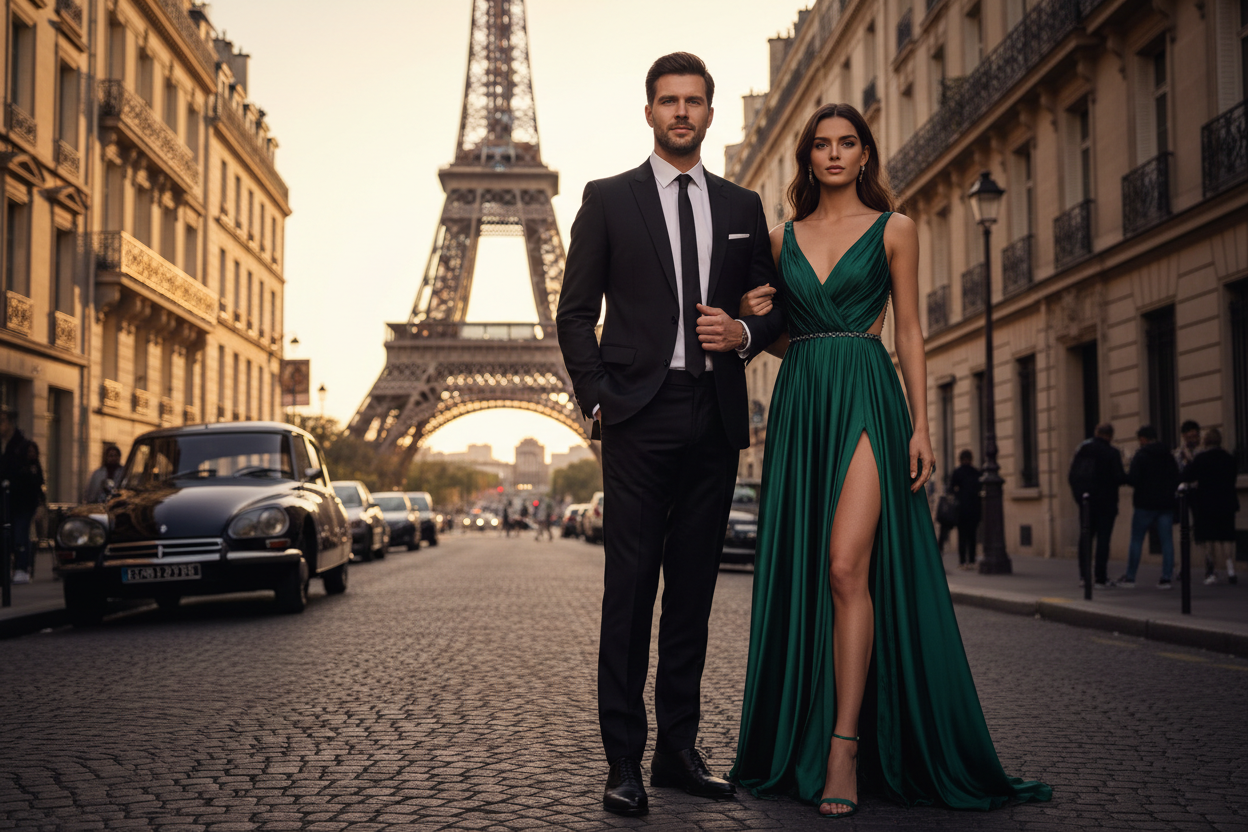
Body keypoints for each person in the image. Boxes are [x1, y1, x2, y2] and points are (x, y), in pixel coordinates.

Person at [729, 103, 1050, 817]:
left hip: (869, 398)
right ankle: (814, 732)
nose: (835, 155)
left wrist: (922, 427)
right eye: (822, 145)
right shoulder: (780, 240)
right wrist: (756, 317)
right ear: (808, 159)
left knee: (847, 566)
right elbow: (784, 338)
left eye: (849, 143)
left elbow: (908, 329)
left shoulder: (896, 230)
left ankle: (845, 745)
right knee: (814, 574)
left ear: (867, 154)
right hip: (804, 398)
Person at [556, 52, 785, 817]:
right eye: (668, 101)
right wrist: (596, 399)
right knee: (629, 591)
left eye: (693, 101)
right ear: (649, 112)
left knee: (691, 595)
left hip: (714, 415)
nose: (681, 112)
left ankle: (677, 751)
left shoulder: (743, 205)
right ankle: (622, 758)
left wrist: (745, 334)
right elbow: (574, 311)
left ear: (710, 113)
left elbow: (775, 307)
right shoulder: (609, 199)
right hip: (637, 417)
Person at [1120, 425, 1180, 589]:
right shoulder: (1168, 455)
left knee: (1137, 540)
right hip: (1166, 504)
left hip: (1145, 504)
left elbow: (1132, 479)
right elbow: (1176, 477)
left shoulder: (1141, 456)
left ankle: (1131, 577)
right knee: (1167, 541)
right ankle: (1166, 578)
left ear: (1143, 439)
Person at [1067, 423, 1127, 587]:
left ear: (1096, 432)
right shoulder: (1112, 453)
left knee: (1085, 538)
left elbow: (1072, 476)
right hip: (1107, 503)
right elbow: (1119, 477)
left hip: (1087, 503)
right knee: (1103, 540)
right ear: (1110, 436)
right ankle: (1100, 577)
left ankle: (1084, 576)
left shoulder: (1082, 449)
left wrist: (1080, 499)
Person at [1180, 428, 1239, 585]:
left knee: (1208, 538)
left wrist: (1188, 461)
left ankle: (1211, 571)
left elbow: (1187, 476)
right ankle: (1231, 569)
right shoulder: (1229, 458)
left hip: (1206, 503)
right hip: (1227, 502)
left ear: (1205, 442)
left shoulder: (1202, 459)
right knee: (1227, 537)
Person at [0, 408, 39, 585]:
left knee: (20, 535)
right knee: (6, 537)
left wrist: (38, 503)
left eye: (2, 421)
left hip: (22, 501)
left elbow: (34, 474)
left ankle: (22, 569)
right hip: (5, 501)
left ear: (9, 423)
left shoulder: (22, 445)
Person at [949, 449, 982, 570]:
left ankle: (962, 561)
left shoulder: (958, 472)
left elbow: (951, 489)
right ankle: (971, 560)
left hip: (961, 510)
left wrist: (958, 494)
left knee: (962, 536)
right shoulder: (975, 472)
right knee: (972, 536)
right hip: (973, 509)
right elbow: (980, 488)